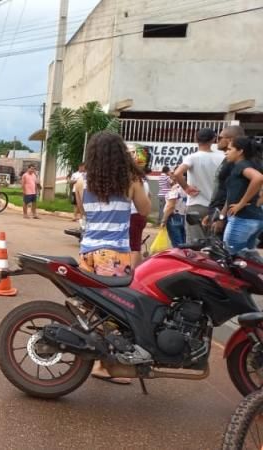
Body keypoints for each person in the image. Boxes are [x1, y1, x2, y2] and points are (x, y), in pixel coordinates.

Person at [74, 132, 150, 385]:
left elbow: (84, 212)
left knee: (92, 309)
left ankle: (94, 357)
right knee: (113, 311)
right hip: (115, 254)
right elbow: (145, 210)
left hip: (87, 251)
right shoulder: (131, 180)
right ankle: (103, 365)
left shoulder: (81, 182)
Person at [172, 128, 224, 242]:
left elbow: (177, 173)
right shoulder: (222, 157)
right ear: (213, 140)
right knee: (214, 244)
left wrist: (186, 188)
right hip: (217, 207)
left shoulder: (192, 157)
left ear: (196, 139)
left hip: (196, 205)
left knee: (195, 244)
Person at [221, 136, 263, 255]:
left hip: (242, 219)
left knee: (231, 256)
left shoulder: (242, 165)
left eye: (230, 149)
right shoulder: (250, 165)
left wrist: (241, 203)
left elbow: (258, 178)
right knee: (247, 259)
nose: (226, 152)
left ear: (240, 151)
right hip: (254, 218)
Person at [205, 125, 247, 236]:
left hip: (225, 214)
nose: (217, 141)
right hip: (218, 211)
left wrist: (221, 217)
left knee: (221, 246)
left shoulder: (236, 162)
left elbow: (232, 192)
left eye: (220, 138)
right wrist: (211, 214)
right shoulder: (229, 158)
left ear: (230, 140)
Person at [127, 144, 151, 268]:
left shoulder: (135, 180)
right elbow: (149, 198)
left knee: (134, 247)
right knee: (136, 245)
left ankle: (132, 273)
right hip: (139, 215)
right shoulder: (143, 180)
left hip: (133, 214)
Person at [161, 182, 187, 248]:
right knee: (185, 243)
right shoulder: (187, 188)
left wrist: (164, 220)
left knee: (177, 245)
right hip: (185, 216)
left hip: (173, 217)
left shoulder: (175, 189)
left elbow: (171, 206)